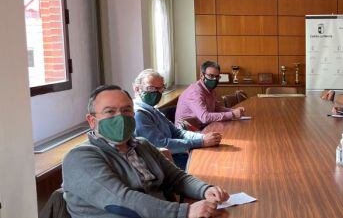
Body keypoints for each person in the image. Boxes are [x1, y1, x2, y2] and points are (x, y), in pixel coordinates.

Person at [62, 85, 230, 218]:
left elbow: (176, 177)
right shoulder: (80, 157)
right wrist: (184, 212)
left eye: (127, 110)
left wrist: (205, 190)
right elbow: (121, 200)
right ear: (92, 120)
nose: (120, 117)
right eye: (110, 111)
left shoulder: (142, 145)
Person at [132, 69, 222, 170]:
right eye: (151, 88)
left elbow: (177, 132)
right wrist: (201, 142)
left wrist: (203, 137)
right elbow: (162, 144)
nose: (156, 92)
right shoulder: (139, 115)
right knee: (211, 166)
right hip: (166, 166)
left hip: (178, 155)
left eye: (160, 88)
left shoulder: (152, 109)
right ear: (137, 89)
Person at [175, 61, 245, 130]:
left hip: (203, 126)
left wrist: (233, 111)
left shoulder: (210, 89)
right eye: (211, 76)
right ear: (202, 76)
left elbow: (216, 108)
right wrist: (232, 114)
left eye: (217, 77)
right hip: (189, 133)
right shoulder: (195, 92)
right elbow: (205, 117)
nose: (214, 79)